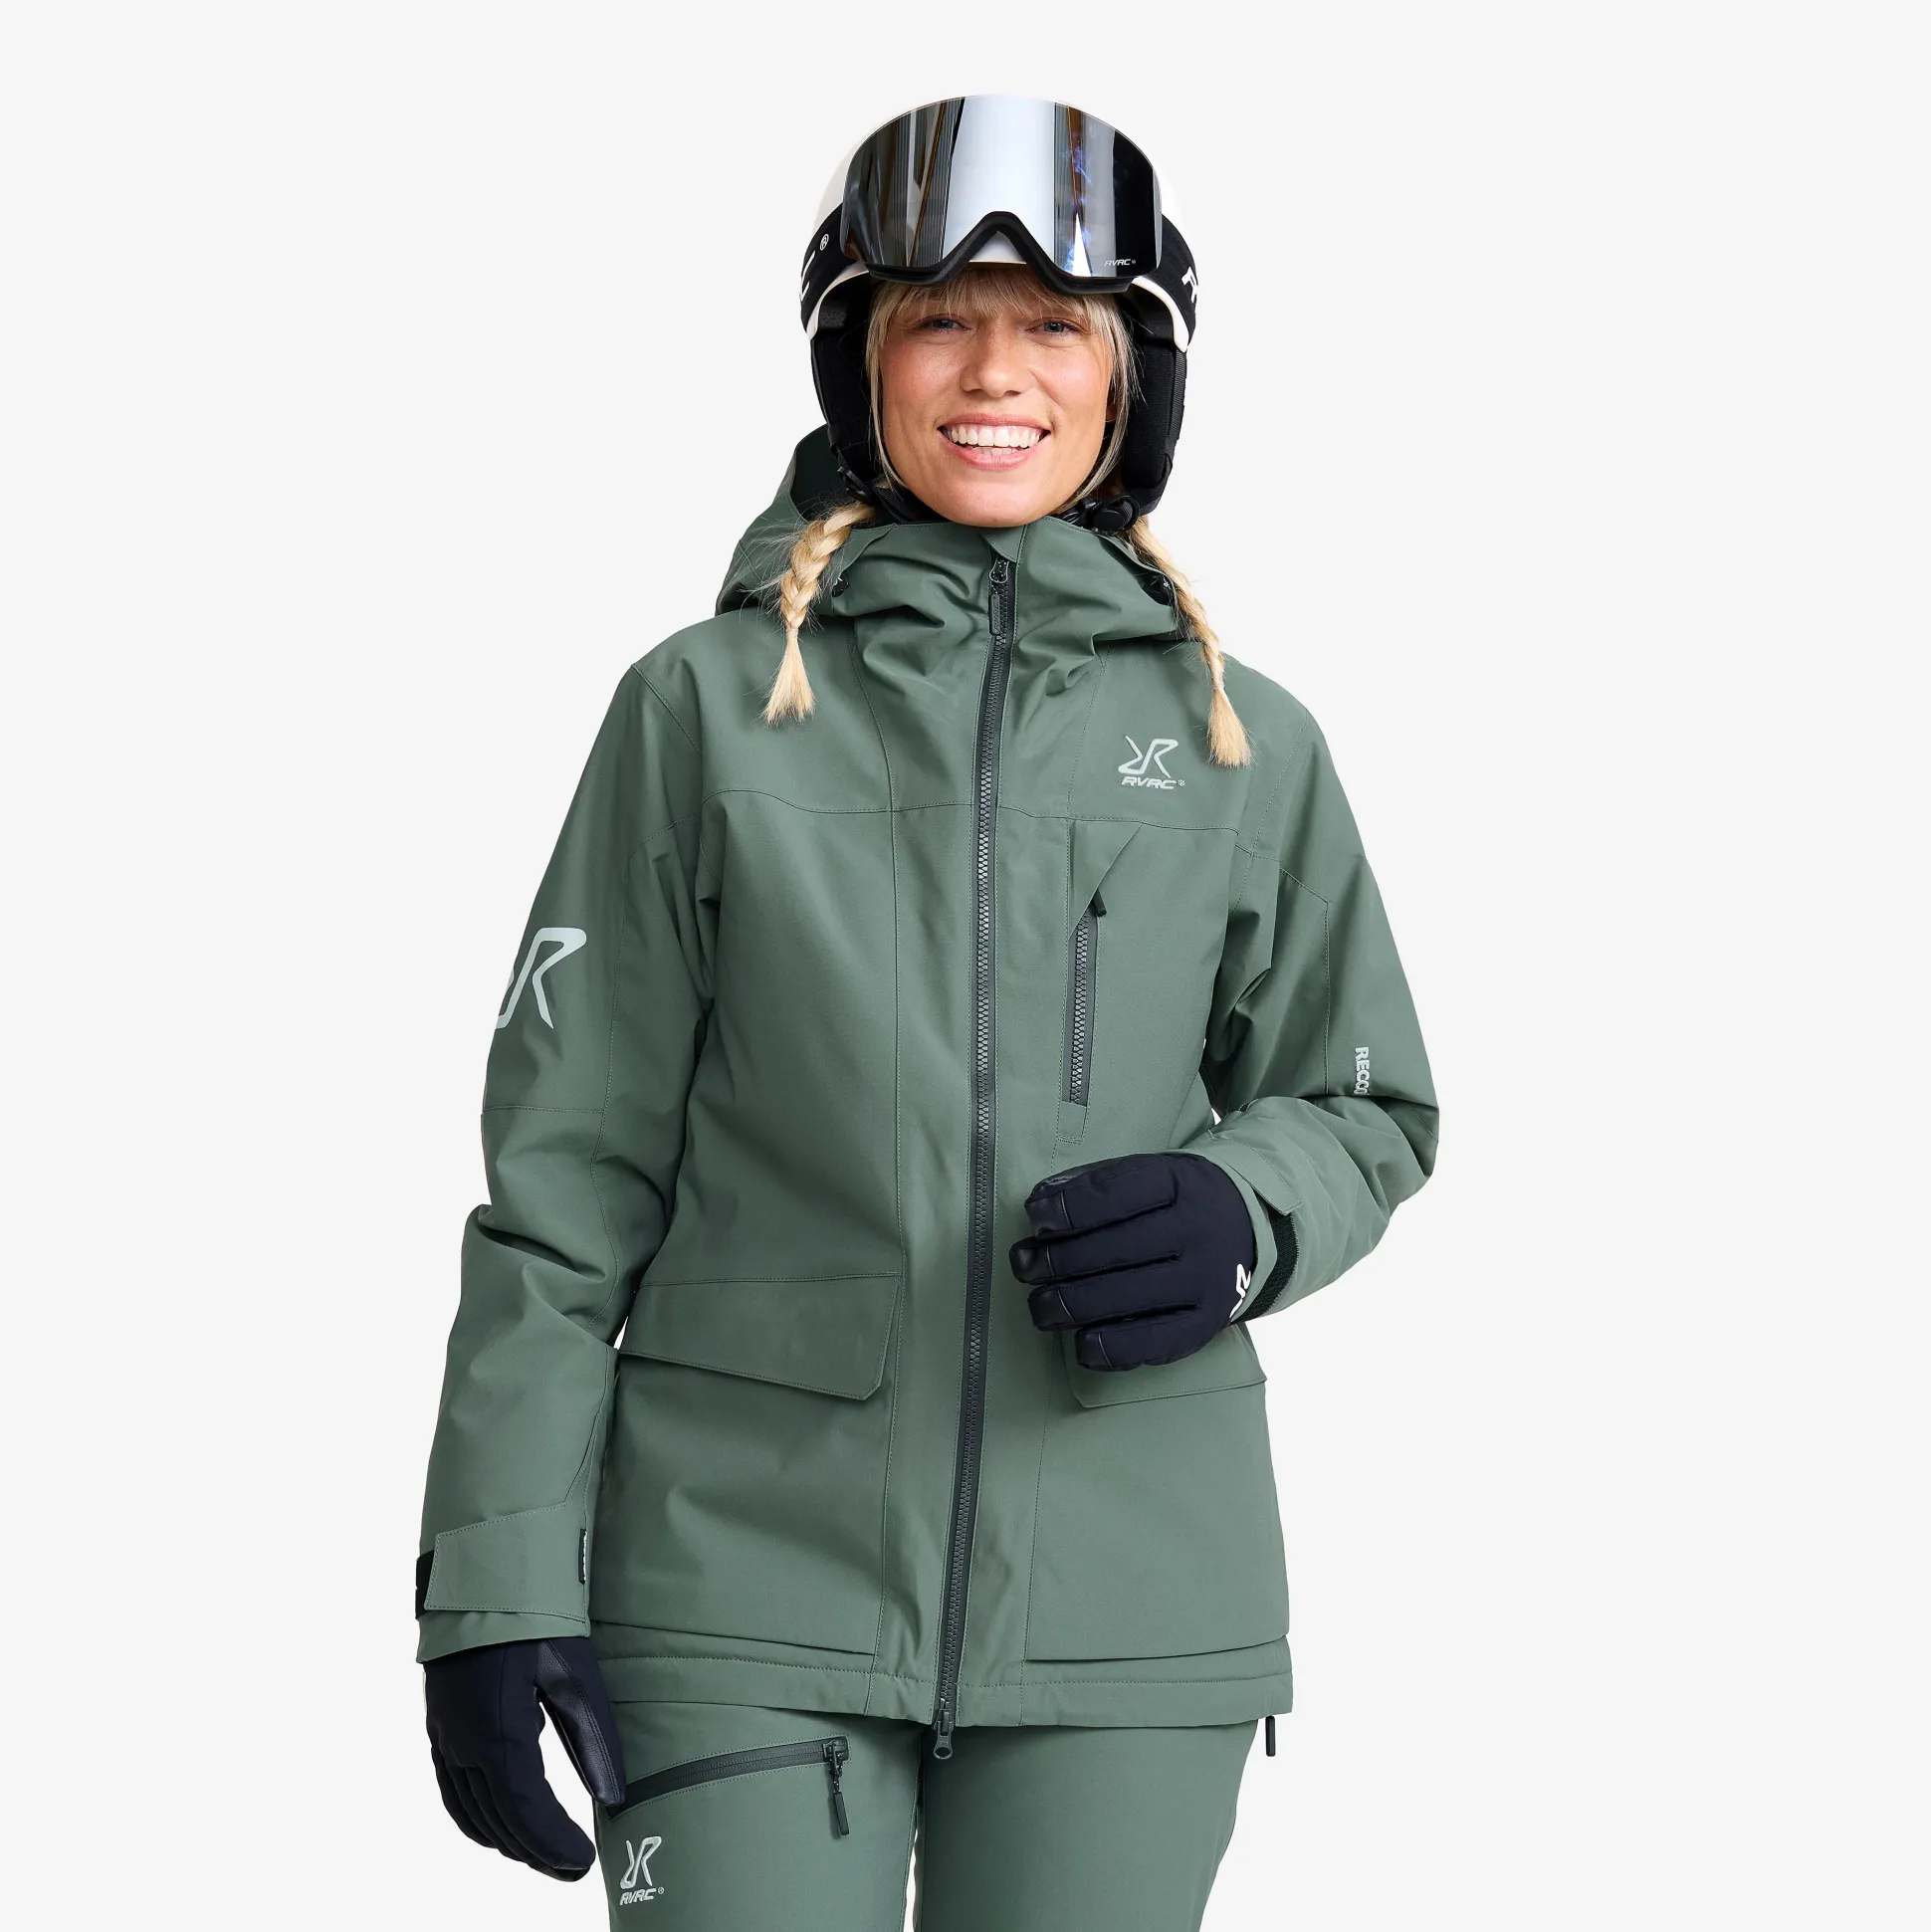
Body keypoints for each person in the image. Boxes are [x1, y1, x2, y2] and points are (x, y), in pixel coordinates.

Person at [415, 94, 1438, 1931]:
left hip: (1131, 1596)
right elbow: (563, 1184)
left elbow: (1369, 1100)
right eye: (937, 321)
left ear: (1130, 377)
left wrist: (1243, 1209)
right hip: (733, 1584)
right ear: (858, 362)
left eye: (1056, 326)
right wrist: (492, 1586)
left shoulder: (1244, 741)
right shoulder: (706, 710)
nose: (995, 373)